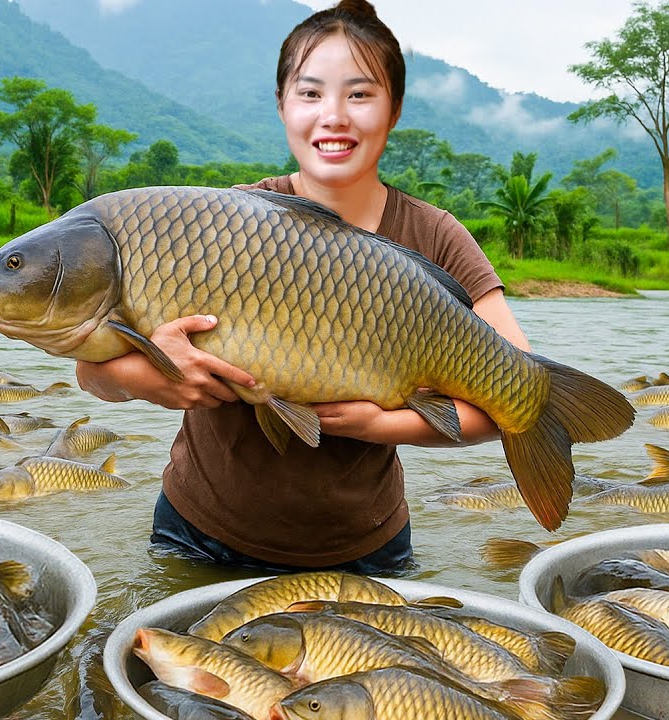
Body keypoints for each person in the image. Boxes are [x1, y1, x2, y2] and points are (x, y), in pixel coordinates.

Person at [75, 0, 529, 574]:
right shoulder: (214, 221)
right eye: (310, 93)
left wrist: (381, 426)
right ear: (283, 105)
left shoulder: (434, 236)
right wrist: (157, 377)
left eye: (360, 94)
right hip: (201, 534)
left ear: (394, 109)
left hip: (365, 551)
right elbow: (92, 374)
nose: (333, 116)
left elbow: (515, 400)